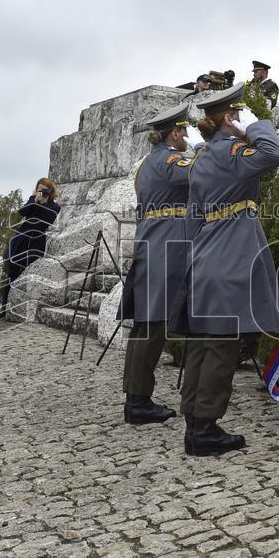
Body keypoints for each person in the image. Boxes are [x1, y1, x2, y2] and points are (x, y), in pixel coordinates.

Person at [169, 82, 279, 456]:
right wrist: (257, 126)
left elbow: (192, 215)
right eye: (239, 113)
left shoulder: (201, 158)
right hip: (231, 256)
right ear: (232, 117)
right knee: (221, 345)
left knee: (201, 344)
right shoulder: (233, 152)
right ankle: (205, 428)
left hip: (204, 255)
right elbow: (273, 155)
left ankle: (193, 420)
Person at [119, 102, 193, 426]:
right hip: (167, 246)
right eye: (184, 131)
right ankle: (139, 402)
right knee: (154, 325)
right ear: (174, 133)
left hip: (149, 240)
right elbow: (200, 174)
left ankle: (135, 397)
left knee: (144, 325)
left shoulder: (145, 164)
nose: (187, 136)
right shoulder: (170, 159)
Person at [0, 178, 61, 318]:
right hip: (21, 239)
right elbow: (22, 212)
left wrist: (43, 204)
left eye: (45, 190)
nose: (42, 192)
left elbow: (48, 221)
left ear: (50, 191)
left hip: (36, 242)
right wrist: (35, 201)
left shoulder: (54, 206)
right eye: (40, 189)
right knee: (12, 273)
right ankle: (4, 306)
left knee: (29, 273)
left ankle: (24, 308)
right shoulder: (32, 199)